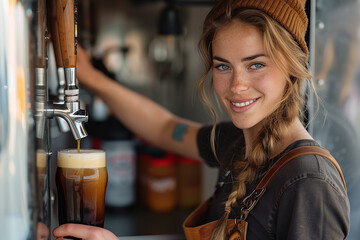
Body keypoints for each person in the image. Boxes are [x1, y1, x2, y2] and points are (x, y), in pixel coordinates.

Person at [53, 0, 350, 239]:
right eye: (223, 67)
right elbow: (165, 128)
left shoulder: (310, 182)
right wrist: (89, 77)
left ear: (293, 67)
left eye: (256, 64)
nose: (236, 85)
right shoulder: (237, 142)